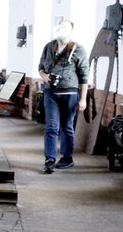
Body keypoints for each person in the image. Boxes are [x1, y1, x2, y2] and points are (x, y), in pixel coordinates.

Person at [37, 20, 89, 173]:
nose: (62, 29)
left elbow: (84, 75)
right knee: (51, 127)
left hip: (70, 94)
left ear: (71, 31)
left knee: (66, 126)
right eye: (60, 26)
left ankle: (67, 158)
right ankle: (50, 160)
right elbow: (40, 66)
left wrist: (83, 99)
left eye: (66, 27)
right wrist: (44, 76)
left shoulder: (78, 49)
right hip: (51, 93)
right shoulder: (49, 47)